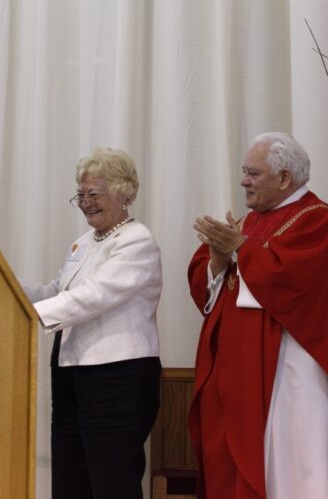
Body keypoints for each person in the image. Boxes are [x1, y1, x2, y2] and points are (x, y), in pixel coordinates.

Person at [187, 132, 328, 499]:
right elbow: (216, 288)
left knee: (287, 464)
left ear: (284, 178)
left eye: (253, 173)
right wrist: (218, 259)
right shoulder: (248, 224)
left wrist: (239, 250)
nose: (243, 181)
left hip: (286, 368)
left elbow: (291, 282)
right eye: (244, 172)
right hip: (237, 369)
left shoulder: (317, 221)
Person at [21, 148, 162, 499]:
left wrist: (36, 314)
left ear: (123, 192)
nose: (86, 203)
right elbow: (55, 291)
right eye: (80, 195)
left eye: (94, 194)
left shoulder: (137, 241)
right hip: (73, 372)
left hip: (119, 377)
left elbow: (96, 296)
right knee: (71, 475)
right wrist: (4, 282)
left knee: (112, 479)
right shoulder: (83, 243)